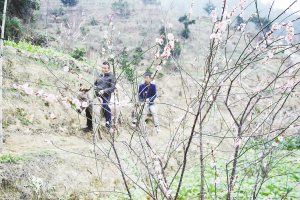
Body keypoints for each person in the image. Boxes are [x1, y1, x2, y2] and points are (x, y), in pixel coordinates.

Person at [82, 62, 115, 132]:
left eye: (105, 68)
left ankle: (109, 125)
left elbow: (112, 88)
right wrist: (95, 87)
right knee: (88, 107)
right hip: (97, 96)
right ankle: (89, 125)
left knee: (106, 107)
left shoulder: (111, 77)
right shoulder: (99, 75)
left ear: (109, 68)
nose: (103, 69)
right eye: (102, 67)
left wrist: (104, 91)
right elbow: (95, 84)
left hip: (106, 96)